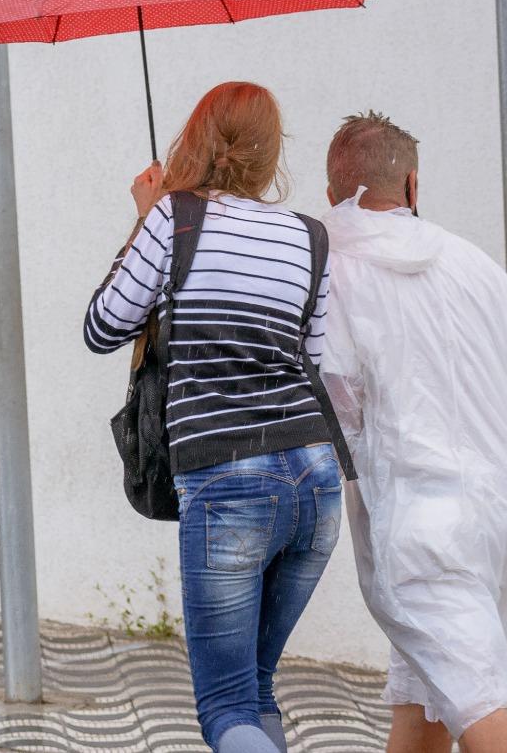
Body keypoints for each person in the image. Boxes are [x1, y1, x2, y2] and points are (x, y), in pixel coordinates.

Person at [318, 112, 507, 753]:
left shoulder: (333, 275)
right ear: (413, 185)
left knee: (476, 710)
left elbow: (338, 406)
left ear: (331, 190)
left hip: (420, 532)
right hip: (502, 526)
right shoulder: (476, 267)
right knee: (426, 704)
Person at [84, 82, 344, 753]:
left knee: (226, 709)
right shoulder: (308, 237)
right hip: (315, 478)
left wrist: (146, 219)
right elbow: (308, 359)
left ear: (197, 138)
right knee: (256, 688)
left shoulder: (175, 219)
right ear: (270, 152)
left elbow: (102, 325)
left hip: (229, 480)